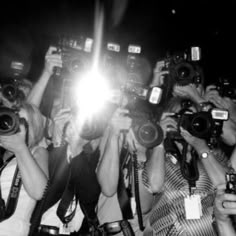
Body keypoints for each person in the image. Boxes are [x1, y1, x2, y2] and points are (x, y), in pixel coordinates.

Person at [143, 96, 229, 236]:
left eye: (193, 118)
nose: (187, 124)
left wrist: (202, 148)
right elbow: (154, 185)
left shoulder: (212, 153)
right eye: (181, 118)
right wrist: (160, 140)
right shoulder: (157, 155)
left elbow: (225, 184)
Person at [0, 102, 49, 236]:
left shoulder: (37, 152)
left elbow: (39, 192)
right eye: (10, 120)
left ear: (33, 127)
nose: (12, 126)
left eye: (19, 121)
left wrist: (20, 148)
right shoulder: (3, 155)